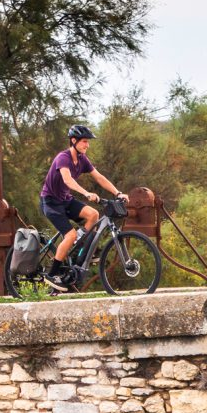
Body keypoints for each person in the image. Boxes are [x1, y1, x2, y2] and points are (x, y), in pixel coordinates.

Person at [40, 124, 128, 290]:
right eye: (84, 141)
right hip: (51, 202)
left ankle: (80, 245)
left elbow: (99, 177)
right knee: (70, 235)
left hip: (65, 200)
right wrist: (86, 193)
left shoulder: (82, 159)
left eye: (88, 142)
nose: (87, 145)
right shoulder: (63, 158)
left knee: (93, 214)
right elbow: (67, 180)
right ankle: (52, 274)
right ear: (73, 141)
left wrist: (118, 193)